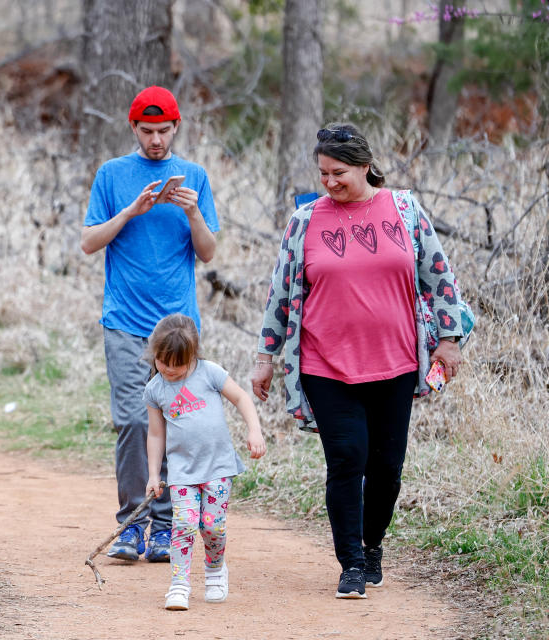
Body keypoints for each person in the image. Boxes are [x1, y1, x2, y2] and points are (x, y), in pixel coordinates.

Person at [250, 123, 468, 599]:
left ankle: (372, 548)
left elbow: (440, 277)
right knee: (347, 458)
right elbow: (281, 293)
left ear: (366, 166)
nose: (329, 182)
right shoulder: (305, 221)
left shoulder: (405, 209)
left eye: (339, 172)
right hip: (326, 364)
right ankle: (350, 562)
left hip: (395, 363)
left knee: (387, 467)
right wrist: (266, 356)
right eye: (324, 173)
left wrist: (449, 339)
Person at [81, 86, 220, 562]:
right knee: (132, 420)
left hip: (177, 328)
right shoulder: (112, 174)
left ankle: (166, 527)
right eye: (148, 131)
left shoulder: (195, 177)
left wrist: (192, 210)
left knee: (175, 423)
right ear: (133, 128)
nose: (157, 140)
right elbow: (88, 242)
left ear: (176, 127)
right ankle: (132, 525)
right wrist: (130, 212)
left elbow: (208, 252)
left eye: (164, 131)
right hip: (123, 321)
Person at [143, 314, 266, 610]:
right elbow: (156, 435)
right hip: (182, 472)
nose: (170, 370)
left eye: (178, 364)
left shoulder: (210, 372)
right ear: (155, 356)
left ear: (193, 355)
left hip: (218, 468)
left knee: (212, 526)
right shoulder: (155, 390)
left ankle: (214, 568)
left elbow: (241, 399)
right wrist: (152, 475)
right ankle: (179, 584)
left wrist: (254, 430)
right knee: (184, 524)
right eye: (163, 363)